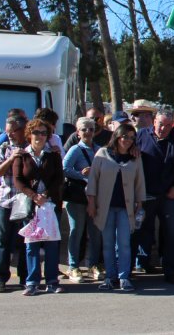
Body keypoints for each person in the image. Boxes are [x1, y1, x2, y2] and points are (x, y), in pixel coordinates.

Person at [86, 124, 145, 291]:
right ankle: (110, 276)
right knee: (108, 243)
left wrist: (139, 202)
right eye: (124, 136)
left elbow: (140, 181)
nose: (127, 140)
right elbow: (93, 181)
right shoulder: (102, 154)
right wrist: (91, 202)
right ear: (117, 136)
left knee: (124, 243)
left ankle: (124, 277)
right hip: (106, 207)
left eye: (132, 138)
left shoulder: (135, 157)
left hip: (126, 208)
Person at [12, 118, 65, 295]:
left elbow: (59, 178)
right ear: (29, 134)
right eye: (36, 132)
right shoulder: (22, 155)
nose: (40, 136)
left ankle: (52, 281)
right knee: (31, 245)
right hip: (30, 206)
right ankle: (32, 282)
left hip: (50, 204)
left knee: (51, 244)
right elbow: (18, 180)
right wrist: (34, 196)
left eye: (44, 133)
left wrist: (46, 194)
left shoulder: (54, 155)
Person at [135, 109, 174, 282]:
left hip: (168, 194)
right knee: (143, 231)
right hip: (146, 193)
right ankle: (141, 264)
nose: (163, 129)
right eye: (160, 124)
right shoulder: (141, 135)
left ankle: (170, 271)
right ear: (154, 121)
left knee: (171, 233)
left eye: (167, 125)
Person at [0, 114, 30, 291]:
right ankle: (0, 277)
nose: (10, 135)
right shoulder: (3, 148)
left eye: (13, 131)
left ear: (23, 130)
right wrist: (11, 159)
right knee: (3, 241)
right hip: (6, 201)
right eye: (8, 132)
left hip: (26, 201)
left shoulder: (31, 147)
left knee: (25, 241)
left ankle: (25, 276)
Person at [62, 117, 101, 282]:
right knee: (76, 231)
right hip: (77, 195)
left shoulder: (99, 149)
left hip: (95, 195)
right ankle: (73, 266)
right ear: (77, 132)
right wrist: (81, 174)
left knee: (95, 232)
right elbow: (64, 168)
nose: (87, 132)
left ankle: (93, 264)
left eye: (91, 129)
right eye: (84, 129)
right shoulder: (75, 150)